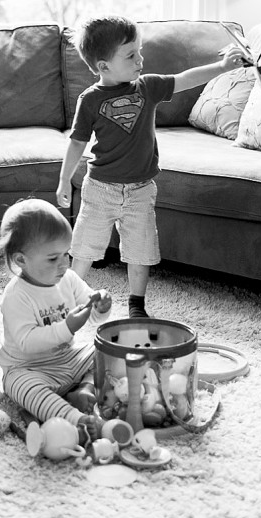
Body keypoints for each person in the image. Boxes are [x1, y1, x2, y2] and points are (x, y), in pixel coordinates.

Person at [56, 16, 245, 319]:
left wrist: (221, 68)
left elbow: (184, 78)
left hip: (141, 190)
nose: (140, 59)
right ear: (103, 66)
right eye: (131, 55)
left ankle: (136, 304)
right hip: (100, 189)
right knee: (84, 249)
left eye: (139, 51)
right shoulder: (90, 100)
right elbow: (76, 143)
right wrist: (65, 180)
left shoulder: (148, 87)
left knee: (140, 251)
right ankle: (71, 300)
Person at [0, 198, 113, 441]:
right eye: (52, 258)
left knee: (109, 350)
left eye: (65, 254)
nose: (63, 264)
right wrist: (67, 327)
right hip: (28, 368)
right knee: (20, 387)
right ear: (21, 260)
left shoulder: (68, 279)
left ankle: (84, 388)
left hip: (68, 359)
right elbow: (28, 342)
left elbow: (90, 310)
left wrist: (101, 306)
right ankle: (75, 418)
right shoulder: (16, 296)